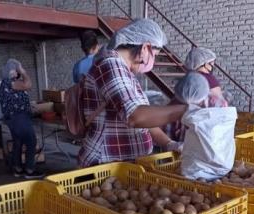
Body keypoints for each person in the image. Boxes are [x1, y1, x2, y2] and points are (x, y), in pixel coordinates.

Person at [79, 19, 186, 167]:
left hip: (124, 164)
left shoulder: (125, 71)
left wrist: (168, 143)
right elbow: (135, 116)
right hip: (105, 163)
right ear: (145, 48)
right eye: (154, 55)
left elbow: (145, 121)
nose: (152, 61)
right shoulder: (110, 65)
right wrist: (184, 110)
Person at [174, 72, 237, 181]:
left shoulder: (214, 104)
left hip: (199, 169)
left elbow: (207, 125)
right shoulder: (214, 103)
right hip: (220, 165)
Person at [0, 59, 44, 179]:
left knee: (18, 142)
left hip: (16, 117)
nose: (17, 73)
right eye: (16, 70)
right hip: (18, 117)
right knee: (31, 141)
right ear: (12, 71)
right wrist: (23, 72)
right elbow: (28, 85)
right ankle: (29, 170)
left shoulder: (9, 83)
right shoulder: (9, 82)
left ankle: (18, 169)